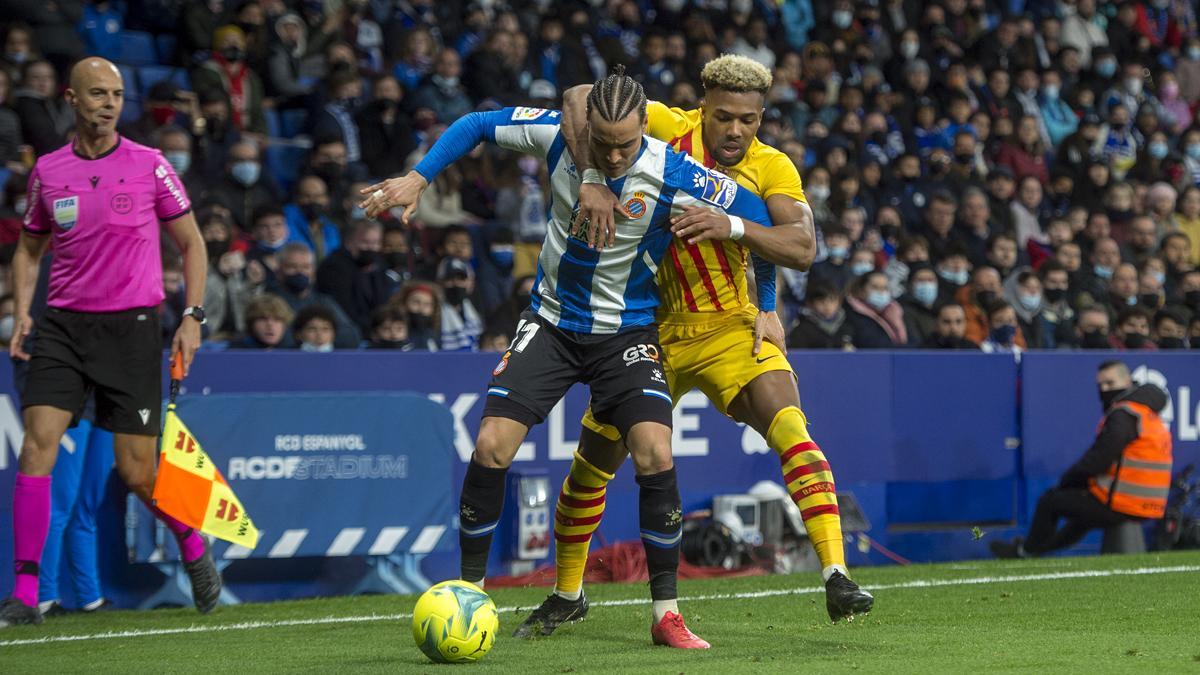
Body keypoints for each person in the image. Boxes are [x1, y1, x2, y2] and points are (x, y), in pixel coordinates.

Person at [360, 67, 788, 649]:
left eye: (626, 145)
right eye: (604, 143)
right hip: (552, 323)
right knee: (490, 445)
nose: (615, 157)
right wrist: (420, 176)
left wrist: (764, 303)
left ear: (646, 126)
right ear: (589, 129)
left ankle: (666, 614)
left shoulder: (673, 170)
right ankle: (469, 595)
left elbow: (758, 219)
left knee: (655, 452)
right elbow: (477, 123)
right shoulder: (559, 136)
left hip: (627, 332)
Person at [546, 53, 871, 634]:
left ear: (762, 116)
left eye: (748, 120)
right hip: (646, 330)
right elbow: (576, 93)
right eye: (724, 117)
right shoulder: (667, 127)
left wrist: (737, 233)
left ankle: (836, 575)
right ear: (703, 107)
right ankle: (567, 593)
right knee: (592, 466)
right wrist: (594, 177)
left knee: (791, 426)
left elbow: (801, 247)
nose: (736, 130)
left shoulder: (774, 168)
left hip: (729, 327)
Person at [1, 58, 217, 628]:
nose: (110, 103)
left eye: (118, 94)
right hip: (64, 329)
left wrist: (191, 316)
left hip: (133, 331)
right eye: (98, 94)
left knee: (137, 474)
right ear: (71, 98)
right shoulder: (48, 171)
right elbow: (28, 249)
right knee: (36, 447)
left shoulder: (150, 165)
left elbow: (193, 244)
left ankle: (192, 543)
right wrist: (23, 312)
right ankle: (25, 594)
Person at [992, 361, 1171, 558]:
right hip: (1150, 504)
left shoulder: (1123, 414)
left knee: (1050, 501)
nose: (1104, 389)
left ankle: (1026, 551)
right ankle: (1036, 549)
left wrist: (1068, 481)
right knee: (1082, 514)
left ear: (1128, 381)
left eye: (1110, 383)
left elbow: (1098, 459)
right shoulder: (1147, 413)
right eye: (1100, 385)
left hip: (1123, 503)